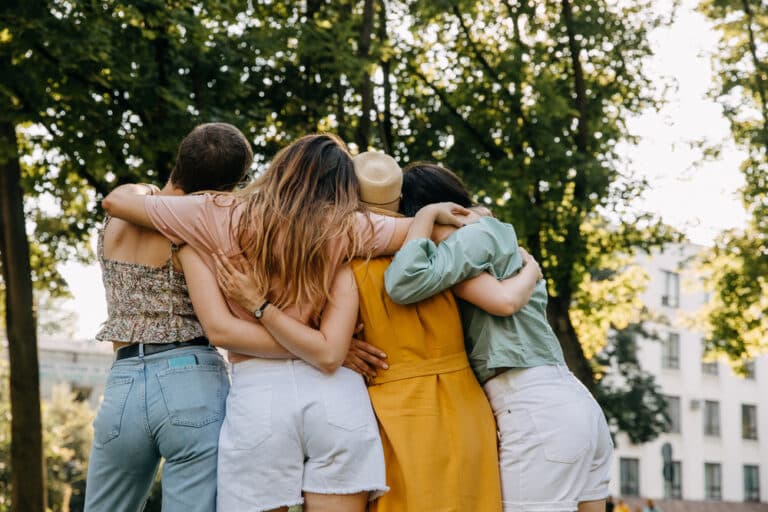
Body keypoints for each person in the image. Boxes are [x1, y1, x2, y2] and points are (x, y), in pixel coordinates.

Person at [101, 134, 474, 511]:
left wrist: (152, 192)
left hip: (259, 399)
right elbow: (431, 233)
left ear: (281, 166)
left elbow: (116, 203)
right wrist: (432, 214)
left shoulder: (214, 212)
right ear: (342, 188)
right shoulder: (347, 226)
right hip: (336, 396)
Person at [216, 152, 539, 510]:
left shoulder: (341, 262)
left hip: (393, 413)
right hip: (464, 406)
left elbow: (315, 342)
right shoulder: (441, 252)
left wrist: (340, 345)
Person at [384, 163, 614, 512]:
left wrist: (425, 219)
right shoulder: (497, 240)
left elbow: (403, 282)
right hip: (572, 401)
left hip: (532, 406)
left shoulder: (466, 239)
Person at [85, 122, 285, 512]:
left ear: (181, 158)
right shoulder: (194, 235)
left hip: (123, 381)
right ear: (226, 188)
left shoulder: (119, 216)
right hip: (189, 378)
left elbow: (123, 196)